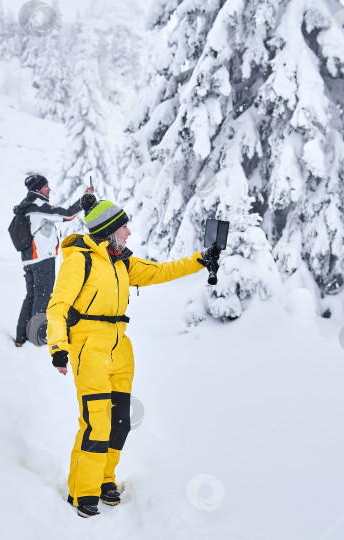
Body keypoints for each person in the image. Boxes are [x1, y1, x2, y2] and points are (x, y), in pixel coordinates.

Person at [45, 194, 221, 518]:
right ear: (110, 230)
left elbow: (161, 271)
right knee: (95, 424)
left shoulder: (122, 260)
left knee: (120, 424)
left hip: (120, 349)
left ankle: (104, 480)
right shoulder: (80, 260)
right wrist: (59, 348)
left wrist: (201, 259)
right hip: (89, 348)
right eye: (124, 227)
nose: (129, 233)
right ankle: (82, 491)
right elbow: (56, 309)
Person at [14, 174, 94, 347]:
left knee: (32, 296)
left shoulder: (27, 207)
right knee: (42, 297)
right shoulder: (38, 206)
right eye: (45, 187)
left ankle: (21, 338)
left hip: (29, 260)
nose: (49, 189)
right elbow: (67, 215)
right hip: (42, 259)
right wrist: (85, 200)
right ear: (37, 189)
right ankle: (38, 339)